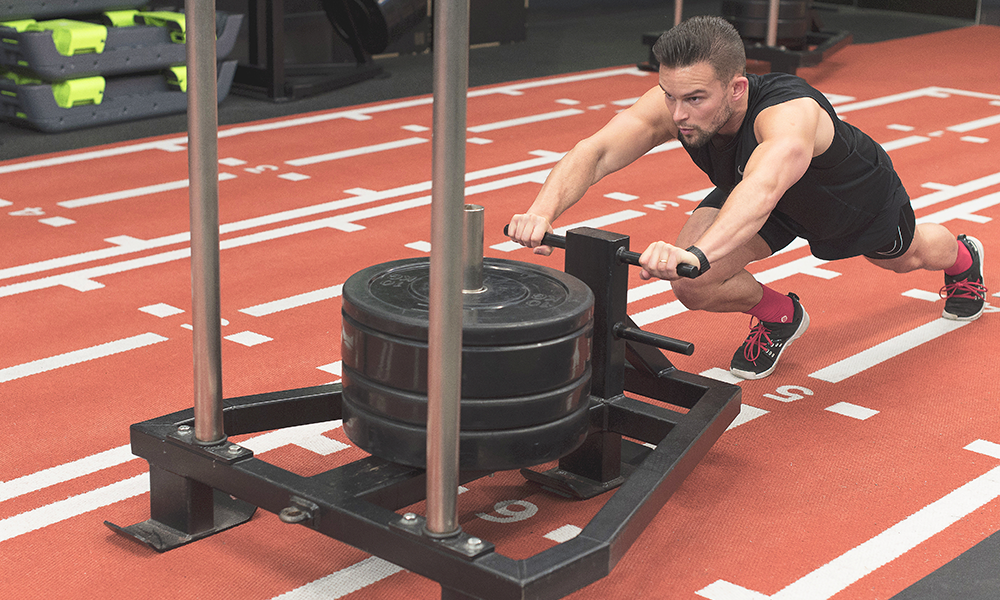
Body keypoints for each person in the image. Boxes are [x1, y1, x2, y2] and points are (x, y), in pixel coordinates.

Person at [506, 16, 987, 380]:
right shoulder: (678, 103)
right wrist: (541, 210)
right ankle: (781, 315)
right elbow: (597, 151)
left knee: (905, 258)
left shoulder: (788, 116)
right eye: (668, 95)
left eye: (694, 99)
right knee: (694, 285)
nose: (677, 114)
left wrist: (696, 253)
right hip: (756, 189)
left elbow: (764, 189)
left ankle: (964, 260)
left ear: (737, 88)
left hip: (845, 197)